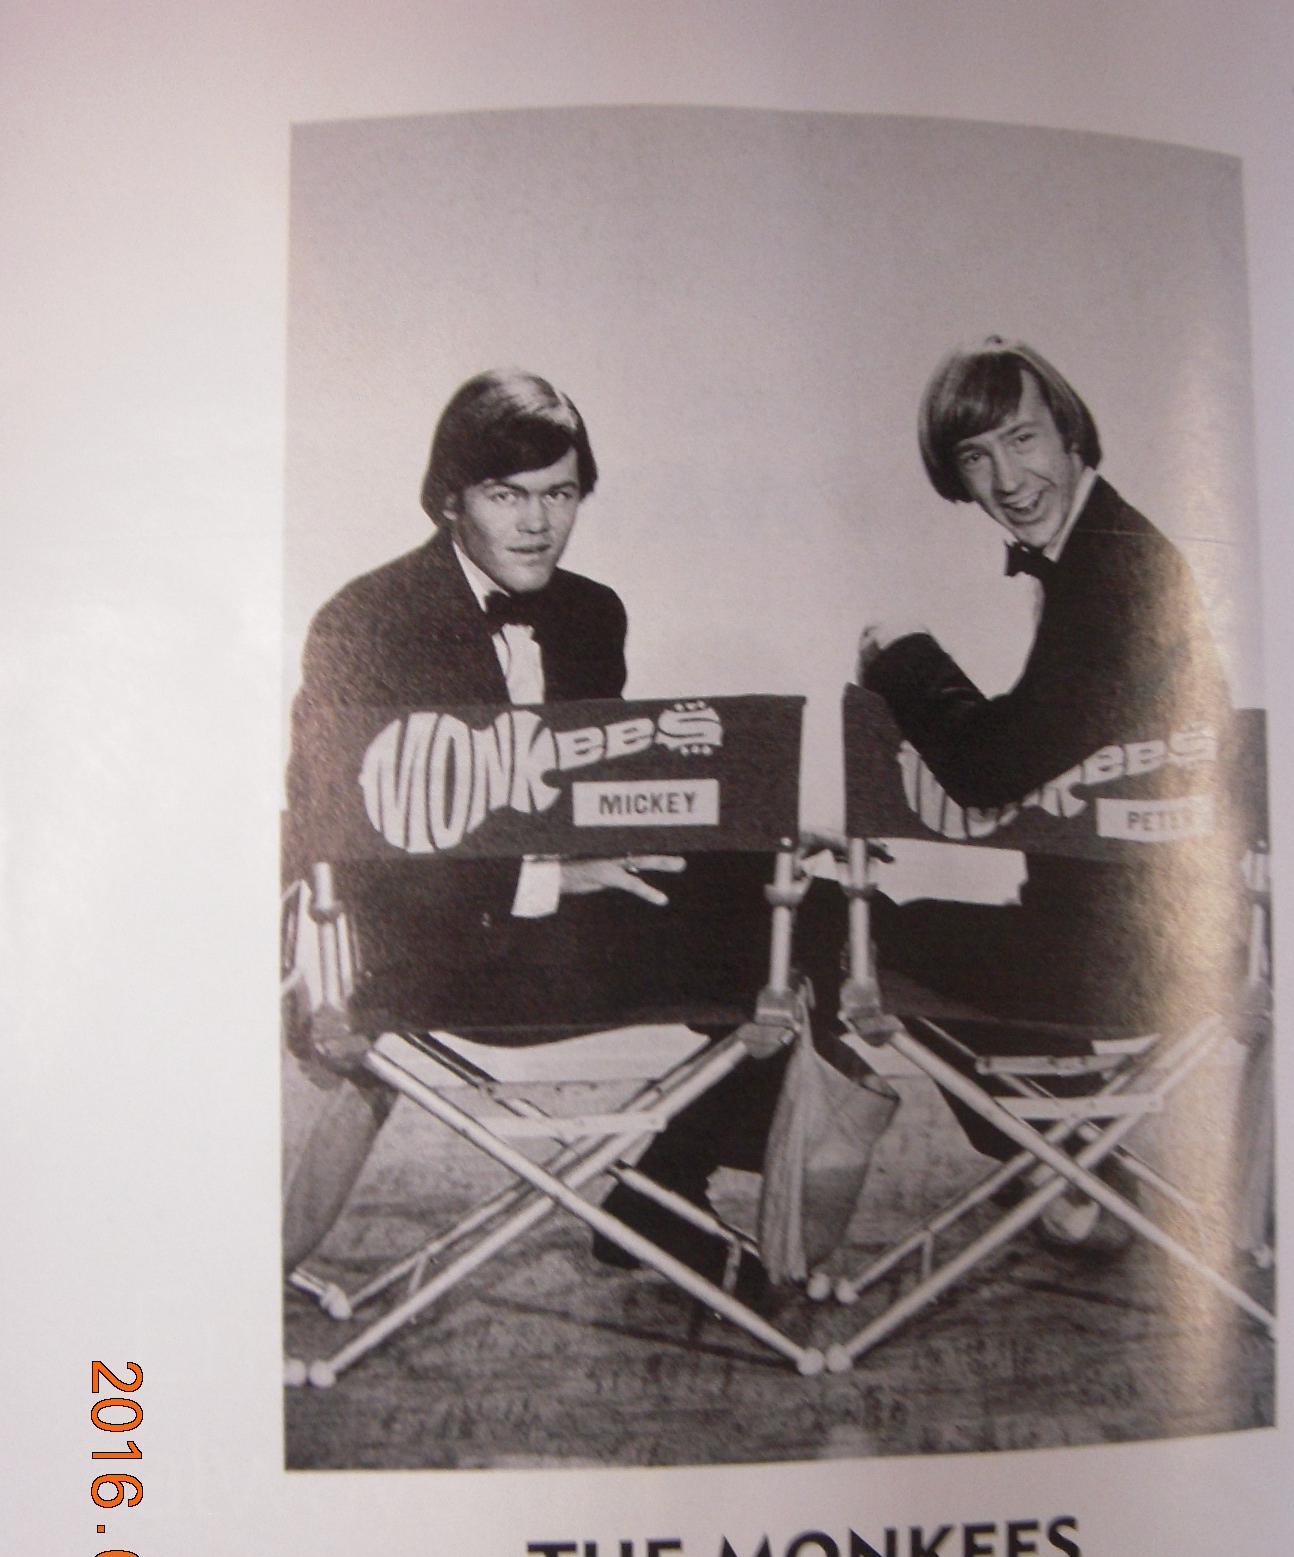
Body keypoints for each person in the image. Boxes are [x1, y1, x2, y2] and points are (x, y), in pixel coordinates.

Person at [284, 368, 782, 1299]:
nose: (537, 523)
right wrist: (552, 878)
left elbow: (589, 791)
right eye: (505, 494)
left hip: (554, 939)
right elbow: (339, 841)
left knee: (797, 909)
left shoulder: (592, 613)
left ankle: (663, 1187)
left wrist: (729, 820)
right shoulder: (365, 620)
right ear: (450, 499)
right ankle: (659, 1203)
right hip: (427, 950)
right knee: (770, 927)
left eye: (560, 494)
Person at [856, 340, 1242, 1244]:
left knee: (856, 937)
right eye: (975, 456)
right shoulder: (1099, 548)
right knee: (918, 934)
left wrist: (903, 653)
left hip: (1136, 952)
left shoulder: (1116, 568)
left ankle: (1064, 1164)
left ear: (1069, 433)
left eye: (1022, 439)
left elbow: (992, 770)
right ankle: (1072, 1159)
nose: (1006, 479)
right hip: (1127, 929)